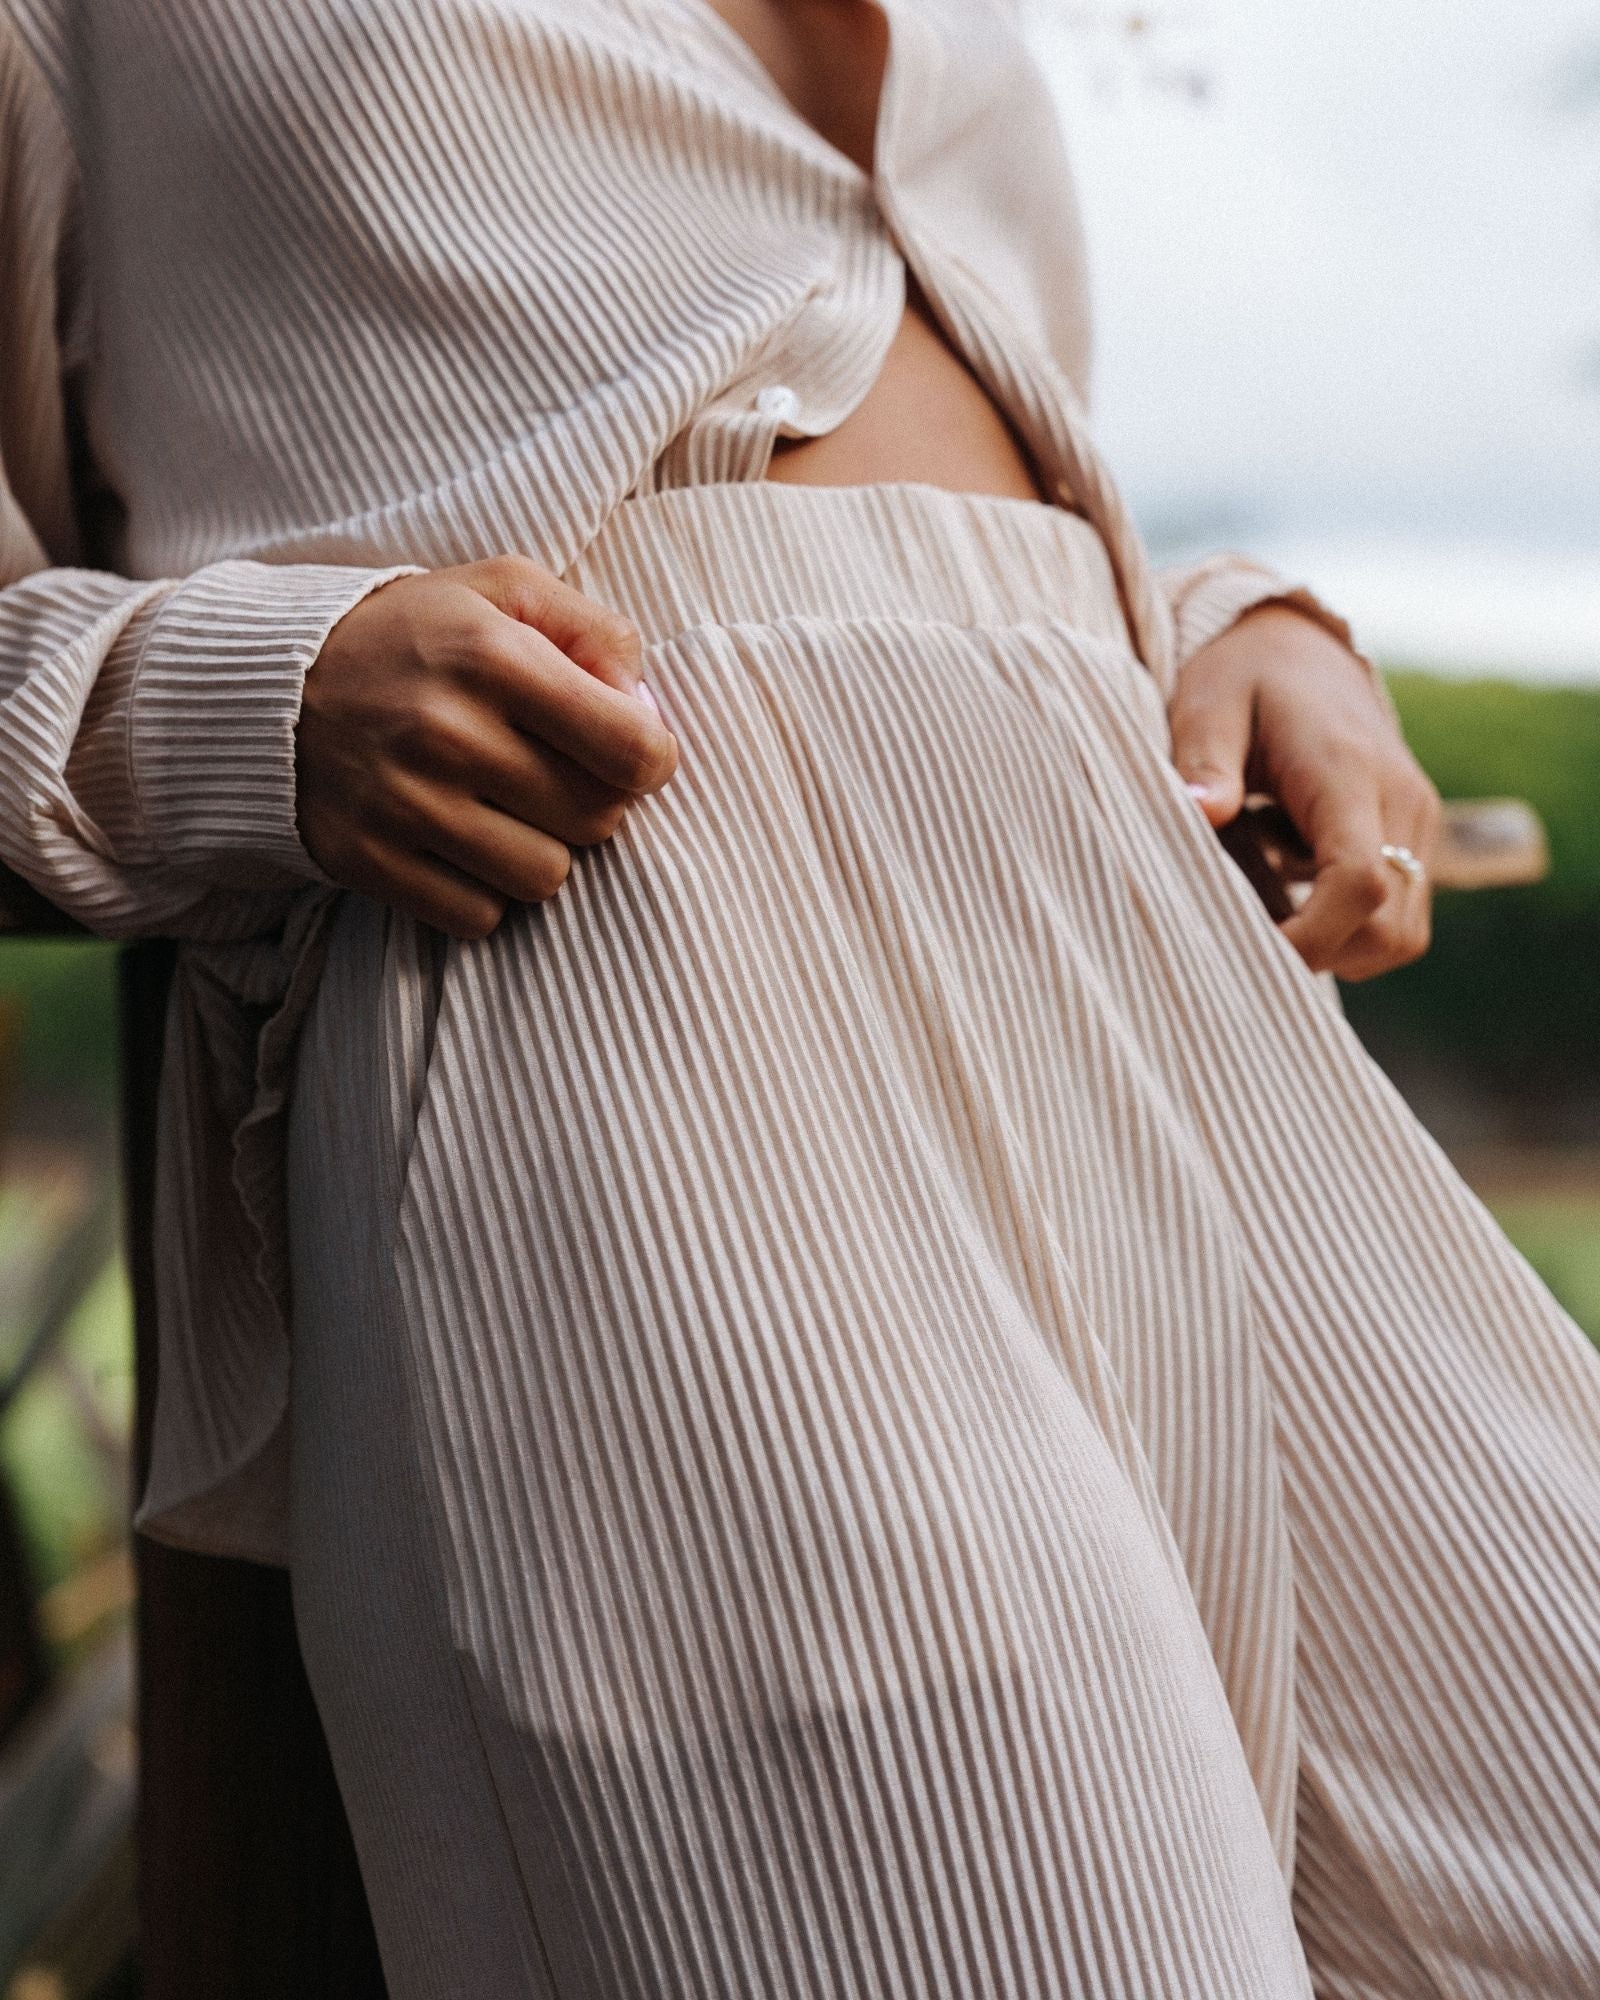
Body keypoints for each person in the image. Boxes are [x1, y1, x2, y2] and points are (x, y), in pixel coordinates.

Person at [3, 0, 1598, 1992]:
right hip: (647, 1051)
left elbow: (917, 485)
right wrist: (258, 703)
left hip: (1178, 1004)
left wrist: (1220, 628)